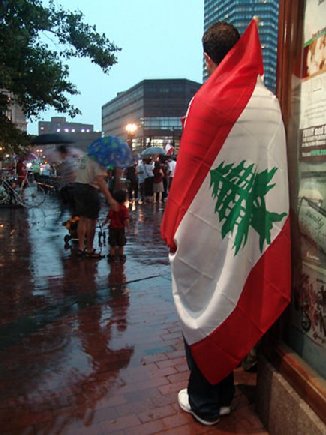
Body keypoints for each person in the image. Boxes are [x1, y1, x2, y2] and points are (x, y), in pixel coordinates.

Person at [161, 20, 290, 426]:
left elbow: (187, 176)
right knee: (235, 297)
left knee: (200, 302)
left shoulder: (204, 102)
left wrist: (171, 229)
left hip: (206, 227)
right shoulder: (268, 101)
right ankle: (223, 395)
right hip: (250, 227)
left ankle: (203, 401)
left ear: (208, 57)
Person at [73, 155, 118, 259]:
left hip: (78, 187)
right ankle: (89, 249)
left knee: (82, 218)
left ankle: (81, 248)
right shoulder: (99, 159)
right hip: (89, 189)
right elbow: (100, 180)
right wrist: (110, 198)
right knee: (92, 219)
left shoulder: (85, 157)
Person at [105, 189, 129, 263]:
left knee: (112, 243)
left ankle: (111, 257)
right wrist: (127, 226)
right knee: (121, 244)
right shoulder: (124, 208)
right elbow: (126, 219)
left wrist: (104, 223)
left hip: (112, 228)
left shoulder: (113, 208)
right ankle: (121, 257)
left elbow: (108, 217)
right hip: (121, 228)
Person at [56, 144, 78, 220]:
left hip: (68, 189)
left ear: (63, 153)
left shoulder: (68, 162)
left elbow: (74, 174)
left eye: (59, 153)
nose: (59, 155)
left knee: (70, 210)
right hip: (68, 189)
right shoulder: (69, 161)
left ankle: (75, 227)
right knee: (69, 210)